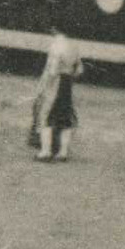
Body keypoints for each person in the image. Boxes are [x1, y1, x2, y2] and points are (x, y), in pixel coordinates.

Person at [29, 30, 86, 160]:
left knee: (46, 116)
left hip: (56, 83)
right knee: (66, 119)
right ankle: (63, 153)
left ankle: (45, 152)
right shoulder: (73, 46)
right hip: (67, 84)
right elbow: (79, 70)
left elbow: (53, 71)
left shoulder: (56, 45)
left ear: (54, 30)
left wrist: (43, 88)